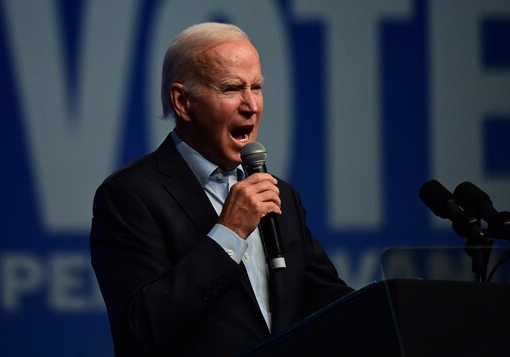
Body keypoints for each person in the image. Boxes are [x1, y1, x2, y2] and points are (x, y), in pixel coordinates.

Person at [90, 22, 353, 356]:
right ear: (183, 102)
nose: (251, 105)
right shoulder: (130, 196)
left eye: (256, 87)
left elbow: (329, 302)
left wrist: (396, 303)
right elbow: (140, 328)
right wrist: (228, 234)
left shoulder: (279, 194)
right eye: (231, 89)